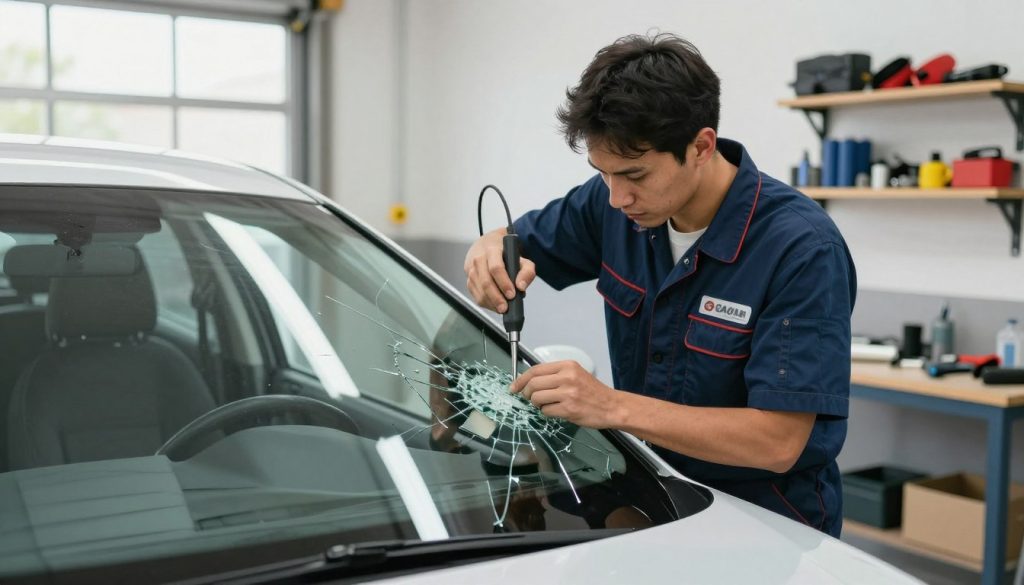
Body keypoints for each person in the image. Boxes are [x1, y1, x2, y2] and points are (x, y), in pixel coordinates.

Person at [463, 33, 855, 537]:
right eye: (602, 173)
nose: (618, 197)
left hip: (764, 525)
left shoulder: (800, 249)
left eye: (635, 175)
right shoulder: (610, 204)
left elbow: (777, 442)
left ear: (701, 146)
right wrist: (489, 247)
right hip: (649, 502)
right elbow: (517, 241)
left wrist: (609, 407)